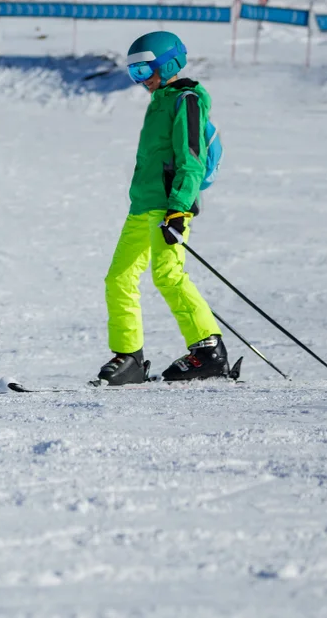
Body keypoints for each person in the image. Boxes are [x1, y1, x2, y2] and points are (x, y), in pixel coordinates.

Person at [99, 31, 227, 386]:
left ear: (168, 64)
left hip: (170, 205)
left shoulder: (186, 100)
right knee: (119, 278)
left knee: (167, 274)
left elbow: (191, 157)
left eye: (145, 71)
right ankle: (130, 358)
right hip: (142, 205)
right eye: (135, 74)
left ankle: (208, 351)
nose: (142, 80)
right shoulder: (160, 100)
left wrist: (178, 208)